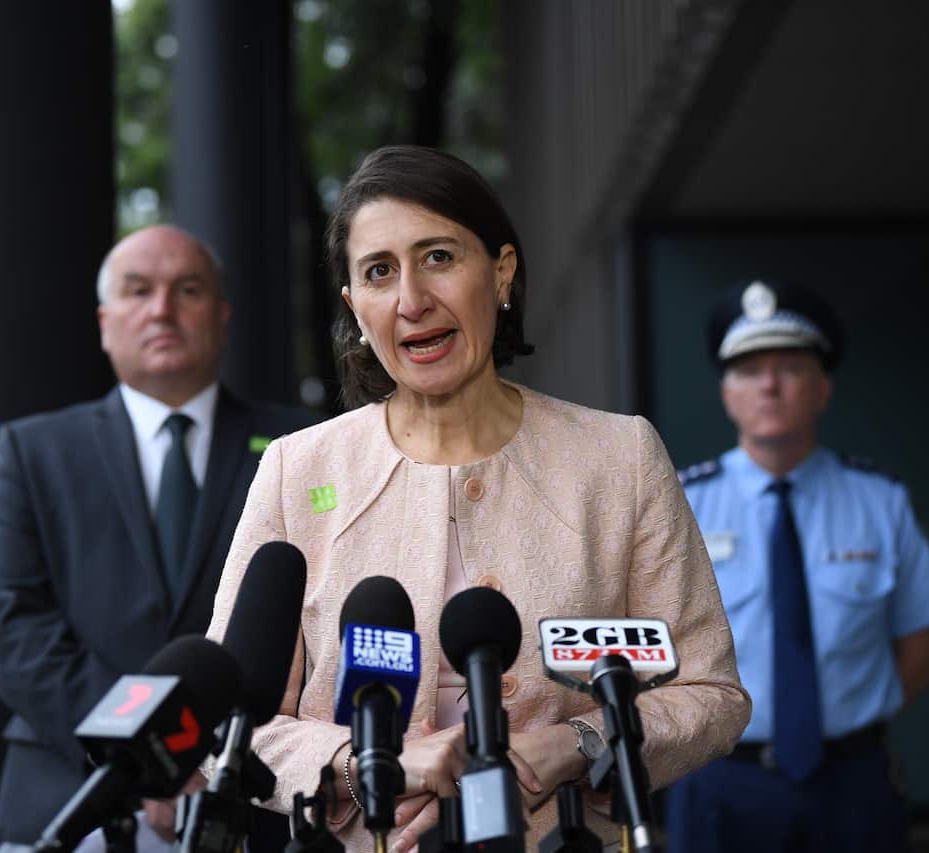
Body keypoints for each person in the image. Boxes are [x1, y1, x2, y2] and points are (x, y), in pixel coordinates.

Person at [199, 145, 751, 852]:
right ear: (355, 308)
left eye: (438, 257)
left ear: (501, 271)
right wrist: (369, 763)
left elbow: (710, 694)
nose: (411, 300)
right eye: (378, 272)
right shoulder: (296, 471)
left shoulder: (619, 458)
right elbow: (232, 727)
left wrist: (579, 740)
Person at [0, 225, 319, 850]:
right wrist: (152, 753)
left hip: (254, 801)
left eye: (188, 289)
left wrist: (206, 761)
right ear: (106, 322)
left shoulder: (303, 448)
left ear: (222, 316)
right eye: (138, 290)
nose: (162, 308)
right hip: (72, 793)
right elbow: (10, 619)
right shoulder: (34, 451)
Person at [663, 279, 929, 853]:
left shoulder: (879, 500)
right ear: (727, 394)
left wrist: (850, 716)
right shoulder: (682, 503)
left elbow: (926, 650)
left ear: (822, 388)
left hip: (851, 781)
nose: (769, 386)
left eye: (790, 368)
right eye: (750, 371)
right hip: (719, 779)